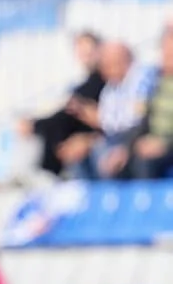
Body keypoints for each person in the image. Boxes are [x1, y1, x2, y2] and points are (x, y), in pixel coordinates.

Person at [59, 40, 154, 178]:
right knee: (76, 153)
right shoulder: (111, 87)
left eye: (105, 65)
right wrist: (90, 137)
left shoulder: (143, 78)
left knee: (103, 156)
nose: (103, 72)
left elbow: (134, 120)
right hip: (116, 137)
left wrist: (97, 120)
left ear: (120, 61)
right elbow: (108, 121)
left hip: (137, 135)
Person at [18, 30, 104, 176]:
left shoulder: (106, 82)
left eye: (89, 51)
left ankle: (43, 175)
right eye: (82, 52)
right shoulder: (82, 86)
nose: (86, 56)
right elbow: (65, 116)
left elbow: (110, 122)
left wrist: (89, 140)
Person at [127, 23, 173, 180]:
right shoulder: (152, 81)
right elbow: (140, 119)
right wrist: (131, 145)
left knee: (145, 162)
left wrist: (166, 144)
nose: (168, 56)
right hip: (151, 141)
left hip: (168, 144)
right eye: (166, 51)